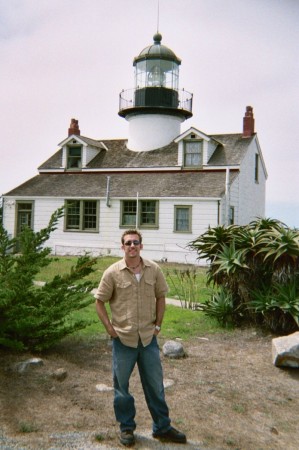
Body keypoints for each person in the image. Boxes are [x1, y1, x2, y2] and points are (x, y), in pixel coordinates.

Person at [95, 229, 187, 446]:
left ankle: (162, 427)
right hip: (123, 340)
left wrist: (158, 325)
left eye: (136, 242)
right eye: (128, 243)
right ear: (123, 247)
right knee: (122, 388)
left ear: (141, 246)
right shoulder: (112, 273)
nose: (132, 246)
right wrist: (109, 328)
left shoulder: (153, 270)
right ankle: (127, 428)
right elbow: (99, 301)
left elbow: (161, 297)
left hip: (148, 340)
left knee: (155, 385)